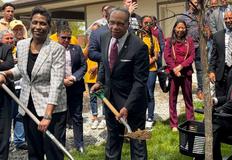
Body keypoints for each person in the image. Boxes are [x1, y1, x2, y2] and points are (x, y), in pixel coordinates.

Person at [0, 6, 67, 160]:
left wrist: (47, 116)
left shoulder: (56, 49)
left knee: (53, 153)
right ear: (30, 24)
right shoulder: (22, 45)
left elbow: (57, 83)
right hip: (28, 106)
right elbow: (21, 70)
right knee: (34, 152)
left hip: (53, 109)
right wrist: (5, 74)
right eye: (35, 22)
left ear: (49, 26)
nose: (38, 27)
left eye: (42, 23)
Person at [90, 8, 149, 159]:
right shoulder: (104, 37)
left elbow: (139, 82)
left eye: (120, 24)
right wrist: (99, 81)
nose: (115, 27)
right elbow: (104, 62)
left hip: (133, 103)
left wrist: (127, 106)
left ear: (128, 24)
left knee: (138, 144)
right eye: (112, 23)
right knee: (113, 142)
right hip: (110, 101)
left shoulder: (139, 47)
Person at [57, 25, 86, 153]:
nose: (67, 40)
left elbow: (83, 66)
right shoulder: (52, 50)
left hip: (75, 87)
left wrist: (73, 78)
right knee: (61, 118)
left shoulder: (77, 49)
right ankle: (60, 145)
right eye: (63, 38)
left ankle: (79, 144)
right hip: (59, 88)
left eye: (69, 38)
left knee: (77, 117)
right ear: (58, 37)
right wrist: (62, 80)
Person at [164, 19, 195, 132]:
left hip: (186, 73)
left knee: (188, 98)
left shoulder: (189, 41)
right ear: (175, 28)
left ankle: (191, 122)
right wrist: (174, 69)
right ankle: (174, 124)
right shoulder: (169, 41)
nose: (180, 30)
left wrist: (181, 66)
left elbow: (192, 56)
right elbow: (167, 57)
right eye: (178, 27)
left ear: (185, 29)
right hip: (173, 74)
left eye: (183, 27)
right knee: (173, 99)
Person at [9, 19, 29, 151]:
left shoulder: (27, 44)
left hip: (23, 85)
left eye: (20, 29)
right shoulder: (7, 45)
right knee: (8, 113)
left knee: (20, 113)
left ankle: (19, 140)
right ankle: (7, 139)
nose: (18, 32)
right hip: (10, 84)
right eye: (15, 29)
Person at [178, 0, 204, 100]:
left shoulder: (201, 15)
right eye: (194, 2)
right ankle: (185, 87)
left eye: (197, 2)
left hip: (199, 46)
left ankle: (200, 89)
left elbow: (206, 28)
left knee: (200, 69)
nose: (195, 4)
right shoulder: (183, 16)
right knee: (185, 68)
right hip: (187, 46)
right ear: (189, 3)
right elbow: (178, 31)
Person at [139, 15, 160, 130]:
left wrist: (146, 64)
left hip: (151, 70)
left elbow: (156, 56)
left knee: (149, 94)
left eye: (150, 23)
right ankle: (141, 115)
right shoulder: (137, 37)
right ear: (141, 23)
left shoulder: (154, 38)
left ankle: (150, 117)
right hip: (138, 71)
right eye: (145, 22)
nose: (147, 25)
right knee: (140, 93)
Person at [0, 34, 14, 160]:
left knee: (4, 131)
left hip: (3, 97)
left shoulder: (6, 48)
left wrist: (4, 64)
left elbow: (9, 64)